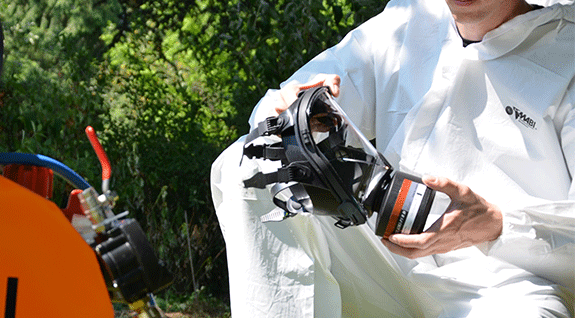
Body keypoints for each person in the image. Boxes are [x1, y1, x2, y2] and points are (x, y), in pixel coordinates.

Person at [211, 0, 575, 316]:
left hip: (504, 287)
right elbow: (276, 108)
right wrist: (298, 110)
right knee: (254, 162)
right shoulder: (408, 19)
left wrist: (497, 223)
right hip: (381, 258)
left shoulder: (566, 51)